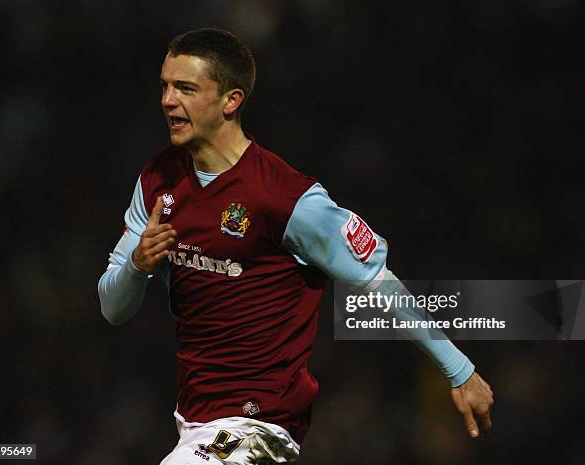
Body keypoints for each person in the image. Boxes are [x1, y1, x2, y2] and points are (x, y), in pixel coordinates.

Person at [98, 27, 493, 465]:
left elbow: (376, 282)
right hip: (193, 420)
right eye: (165, 87)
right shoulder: (158, 181)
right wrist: (137, 265)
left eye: (186, 89)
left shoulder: (285, 198)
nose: (168, 100)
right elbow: (113, 308)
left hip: (255, 427)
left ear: (231, 100)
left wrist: (459, 369)